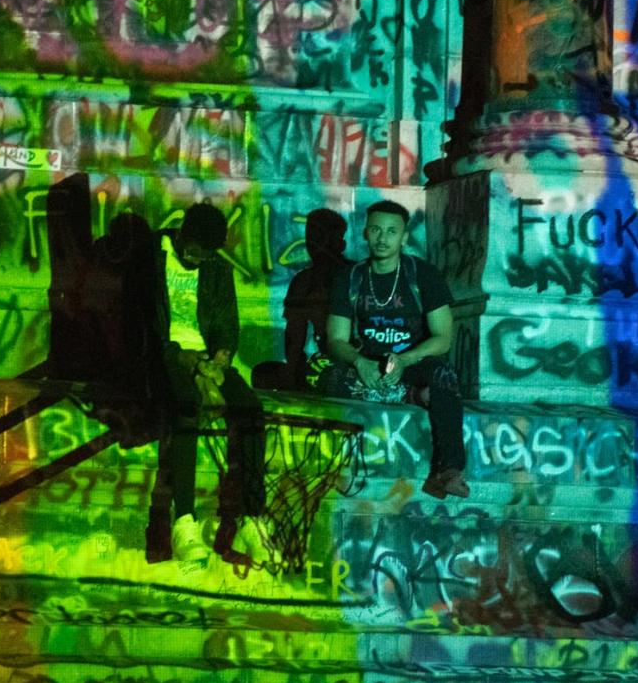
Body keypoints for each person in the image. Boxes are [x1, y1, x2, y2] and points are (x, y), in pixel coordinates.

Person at [145, 202, 271, 564]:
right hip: (161, 358)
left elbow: (227, 325)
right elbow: (140, 326)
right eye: (192, 254)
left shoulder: (215, 266)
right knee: (186, 407)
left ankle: (251, 516)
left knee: (250, 410)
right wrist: (178, 357)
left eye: (204, 257)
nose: (196, 261)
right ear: (182, 234)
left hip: (202, 357)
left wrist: (220, 358)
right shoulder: (151, 258)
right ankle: (183, 521)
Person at [324, 200, 469, 499]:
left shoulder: (423, 275)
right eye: (376, 229)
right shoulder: (350, 278)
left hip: (410, 362)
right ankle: (410, 398)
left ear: (404, 237)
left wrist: (405, 359)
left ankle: (448, 471)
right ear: (364, 233)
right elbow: (336, 340)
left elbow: (443, 337)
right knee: (328, 378)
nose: (382, 238)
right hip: (365, 363)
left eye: (391, 231)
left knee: (444, 376)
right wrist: (360, 362)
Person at [254, 209, 352, 391]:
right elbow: (294, 337)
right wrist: (292, 375)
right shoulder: (303, 281)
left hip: (359, 362)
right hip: (327, 363)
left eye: (320, 237)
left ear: (340, 242)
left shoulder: (356, 276)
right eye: (311, 237)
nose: (313, 244)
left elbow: (295, 338)